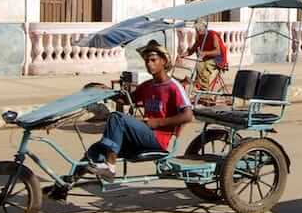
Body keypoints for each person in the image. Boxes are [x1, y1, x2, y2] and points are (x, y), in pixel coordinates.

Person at [83, 40, 193, 180]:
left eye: (153, 60)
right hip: (142, 135)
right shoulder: (147, 85)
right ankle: (65, 185)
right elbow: (128, 99)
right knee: (96, 149)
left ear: (164, 61)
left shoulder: (173, 87)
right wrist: (108, 92)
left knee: (117, 117)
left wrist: (157, 123)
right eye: (147, 61)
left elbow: (188, 116)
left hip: (157, 139)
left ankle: (110, 167)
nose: (149, 64)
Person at [182, 18, 229, 92]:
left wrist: (204, 53)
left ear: (204, 27)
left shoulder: (212, 34)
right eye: (196, 28)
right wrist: (182, 55)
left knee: (205, 69)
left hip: (218, 59)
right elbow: (192, 49)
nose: (197, 30)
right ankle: (199, 86)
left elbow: (218, 51)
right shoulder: (200, 36)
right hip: (208, 58)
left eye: (199, 28)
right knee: (199, 65)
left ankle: (205, 92)